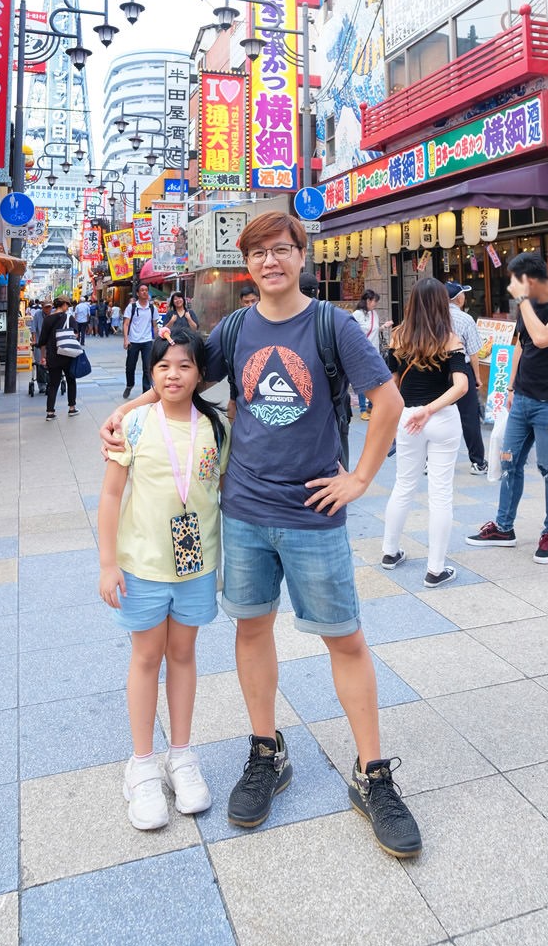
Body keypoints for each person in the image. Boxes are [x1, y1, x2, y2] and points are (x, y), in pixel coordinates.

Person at [100, 212, 422, 859]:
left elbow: (386, 402)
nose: (271, 261)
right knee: (251, 629)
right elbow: (182, 373)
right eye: (259, 253)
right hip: (243, 510)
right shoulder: (238, 329)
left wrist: (360, 478)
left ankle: (372, 774)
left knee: (345, 638)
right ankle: (266, 751)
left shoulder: (331, 325)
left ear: (302, 255)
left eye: (282, 249)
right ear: (247, 265)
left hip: (312, 514)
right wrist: (129, 409)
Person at [99, 330, 228, 830]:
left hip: (196, 567)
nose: (173, 375)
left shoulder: (215, 427)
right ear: (150, 375)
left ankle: (181, 754)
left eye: (184, 366)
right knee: (147, 656)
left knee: (183, 655)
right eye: (163, 367)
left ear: (200, 374)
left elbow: (220, 491)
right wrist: (108, 564)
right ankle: (142, 764)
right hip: (141, 567)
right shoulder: (132, 424)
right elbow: (111, 496)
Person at [466, 252, 548, 563]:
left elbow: (542, 338)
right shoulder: (528, 309)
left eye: (516, 282)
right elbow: (521, 345)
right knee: (509, 463)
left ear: (529, 280)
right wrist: (511, 387)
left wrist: (524, 303)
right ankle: (504, 528)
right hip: (522, 402)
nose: (512, 289)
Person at [381, 279, 469, 587]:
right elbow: (461, 386)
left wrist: (404, 412)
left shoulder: (398, 336)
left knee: (403, 484)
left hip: (408, 418)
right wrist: (430, 410)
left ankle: (389, 552)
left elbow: (390, 381)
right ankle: (435, 569)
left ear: (412, 302)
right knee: (440, 493)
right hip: (441, 417)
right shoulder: (449, 338)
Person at [446, 282, 487, 474]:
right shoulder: (465, 319)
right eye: (464, 295)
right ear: (459, 298)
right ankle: (478, 462)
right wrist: (477, 377)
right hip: (461, 369)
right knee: (469, 415)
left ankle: (428, 461)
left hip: (435, 369)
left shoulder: (431, 316)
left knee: (435, 414)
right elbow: (473, 353)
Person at [43, 297, 79, 420]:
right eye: (67, 305)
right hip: (68, 355)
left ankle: (50, 412)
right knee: (71, 381)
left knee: (53, 384)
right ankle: (72, 408)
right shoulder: (69, 318)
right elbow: (76, 335)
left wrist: (43, 357)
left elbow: (43, 340)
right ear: (63, 305)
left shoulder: (47, 319)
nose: (67, 307)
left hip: (53, 355)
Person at [123, 283, 160, 398]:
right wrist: (126, 339)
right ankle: (129, 385)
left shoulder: (152, 308)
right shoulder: (132, 307)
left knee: (147, 367)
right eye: (142, 290)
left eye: (146, 290)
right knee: (130, 366)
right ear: (138, 293)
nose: (144, 292)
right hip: (133, 341)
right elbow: (126, 323)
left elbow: (155, 325)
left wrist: (157, 339)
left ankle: (146, 392)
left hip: (147, 341)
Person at [352, 290, 381, 420]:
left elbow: (374, 330)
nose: (375, 304)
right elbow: (351, 332)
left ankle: (371, 407)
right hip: (361, 353)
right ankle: (363, 409)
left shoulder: (375, 314)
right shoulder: (357, 314)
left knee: (375, 381)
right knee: (363, 381)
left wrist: (383, 327)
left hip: (374, 352)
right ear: (368, 300)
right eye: (375, 301)